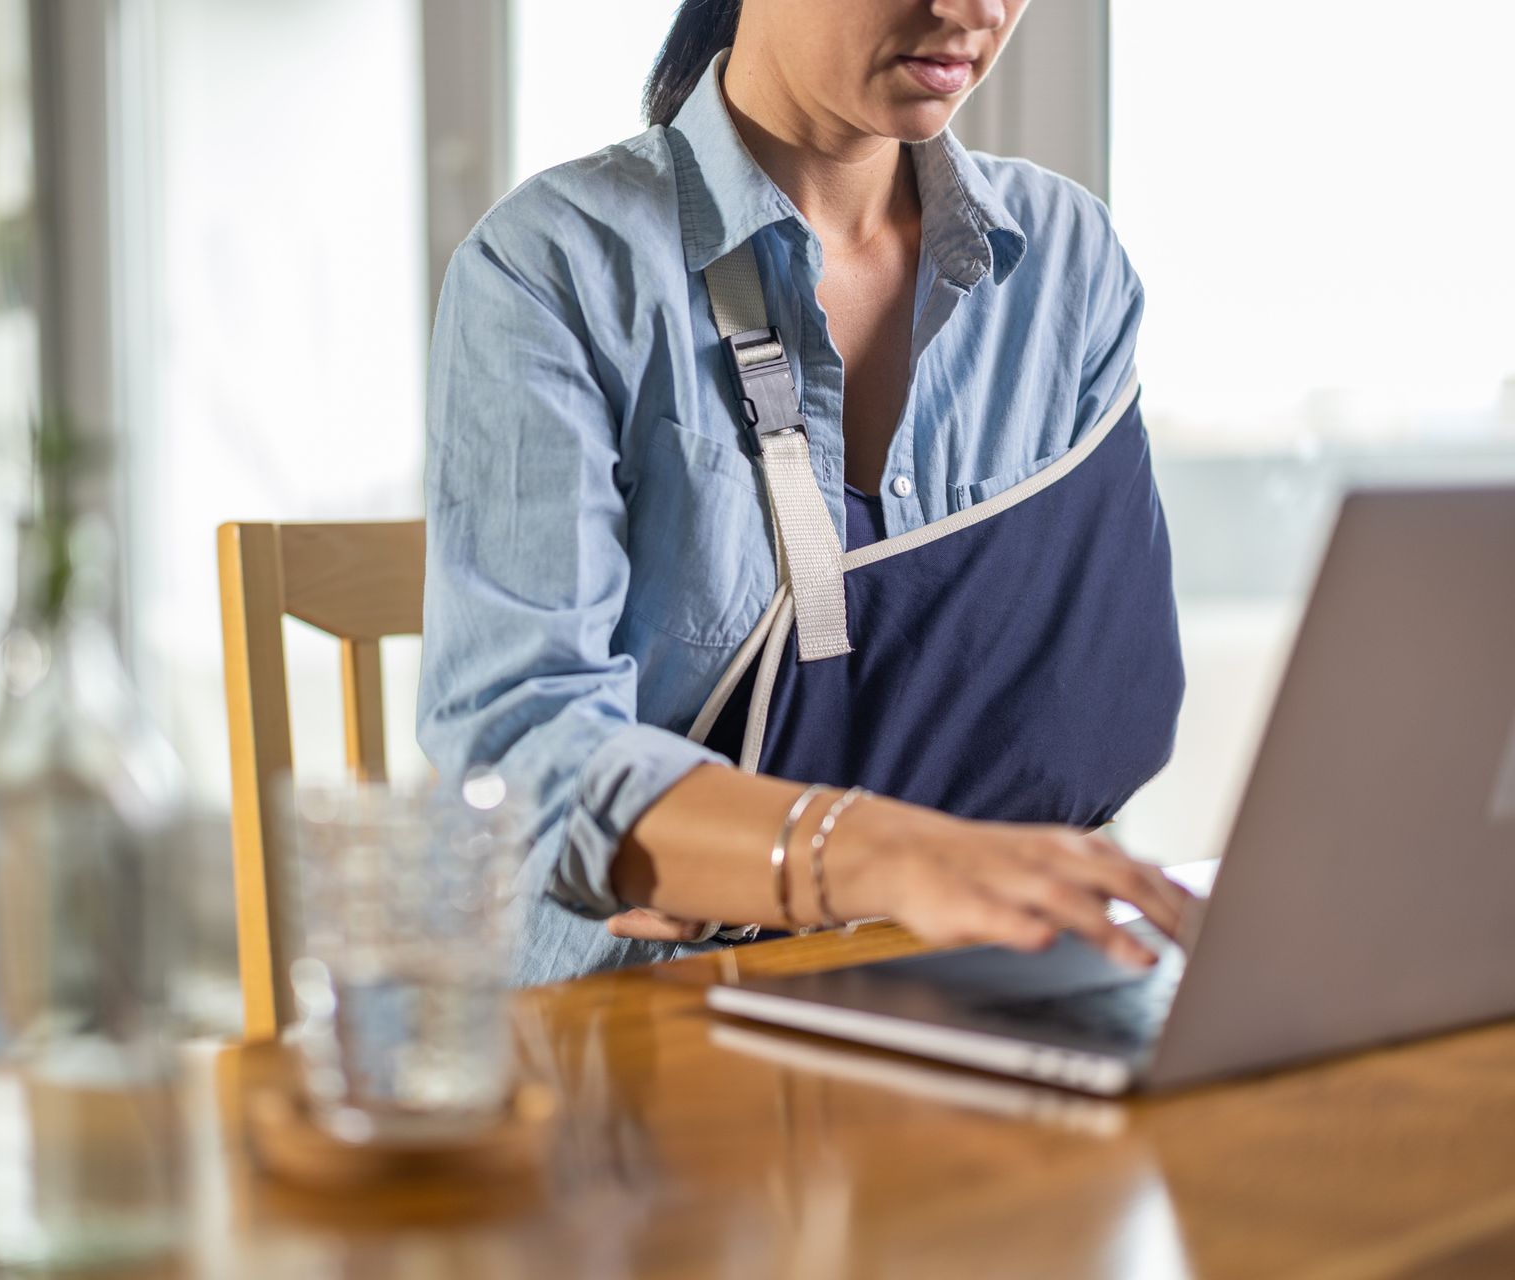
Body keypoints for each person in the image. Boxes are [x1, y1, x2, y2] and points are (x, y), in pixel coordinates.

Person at [419, 0, 1192, 986]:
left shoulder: (1065, 265)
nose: (975, 11)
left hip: (969, 985)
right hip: (646, 1013)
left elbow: (1094, 715)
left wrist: (724, 838)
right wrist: (880, 854)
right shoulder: (555, 271)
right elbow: (523, 754)